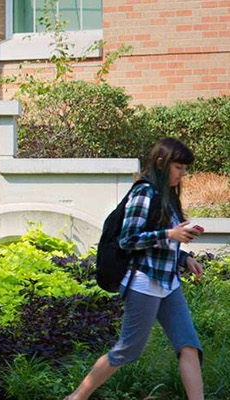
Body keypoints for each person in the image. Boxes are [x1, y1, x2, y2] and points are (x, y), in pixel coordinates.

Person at [66, 138, 206, 400]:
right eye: (179, 167)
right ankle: (76, 398)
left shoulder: (169, 198)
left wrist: (185, 259)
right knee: (126, 351)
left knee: (189, 347)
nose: (182, 174)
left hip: (169, 284)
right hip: (144, 282)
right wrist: (170, 234)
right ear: (161, 163)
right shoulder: (144, 193)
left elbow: (165, 243)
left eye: (185, 169)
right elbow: (127, 239)